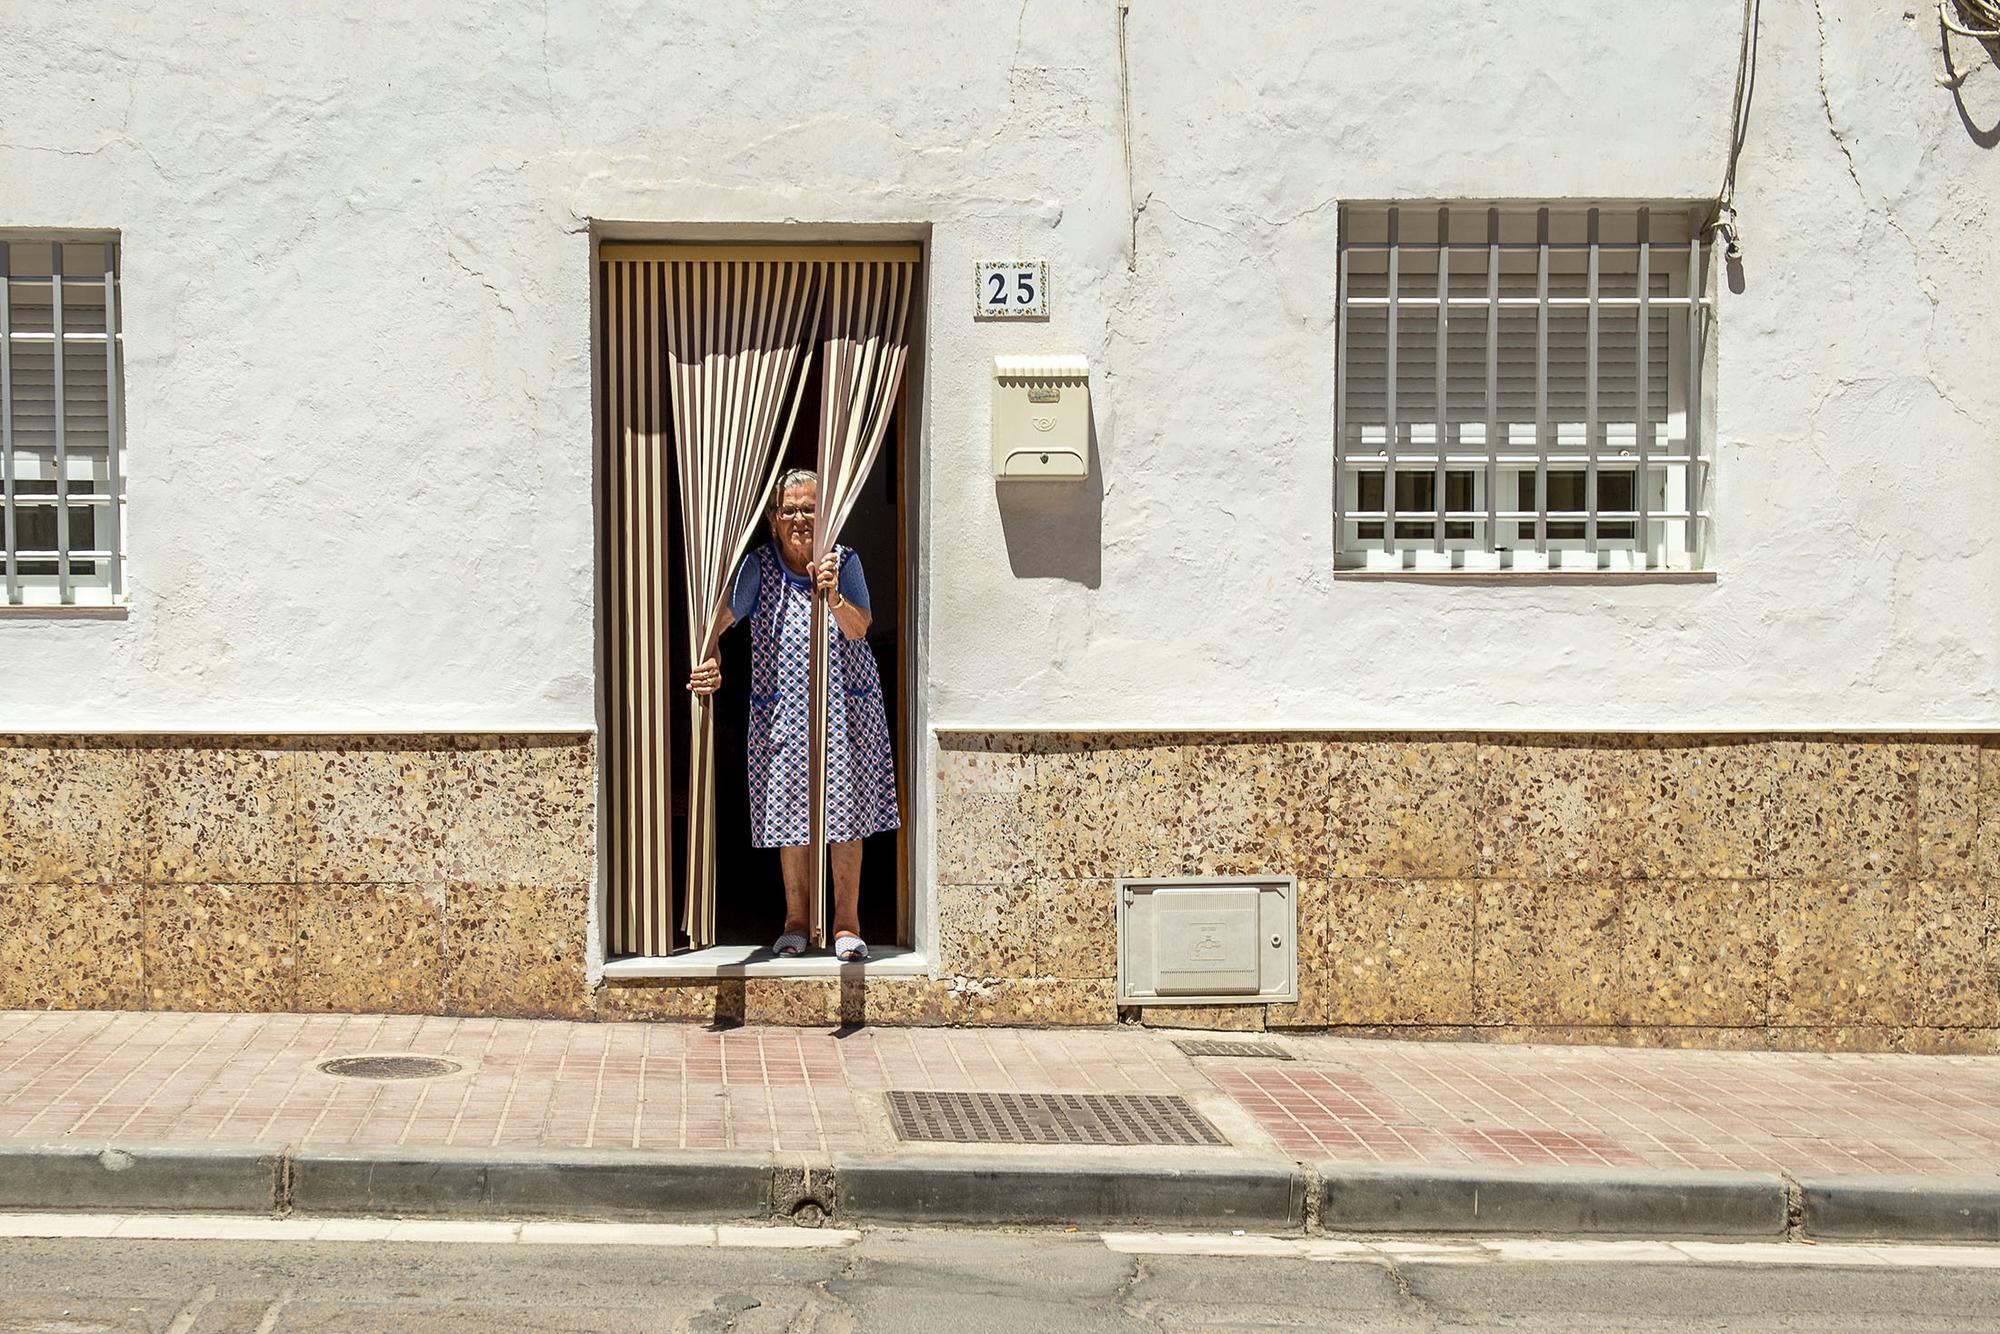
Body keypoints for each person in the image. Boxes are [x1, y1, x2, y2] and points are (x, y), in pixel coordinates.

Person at [686, 469, 899, 962]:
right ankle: (797, 922)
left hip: (844, 709)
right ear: (773, 520)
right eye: (790, 510)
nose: (800, 519)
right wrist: (710, 652)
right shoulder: (758, 567)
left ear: (825, 515)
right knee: (792, 817)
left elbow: (859, 627)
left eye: (810, 508)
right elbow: (720, 617)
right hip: (783, 715)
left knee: (846, 817)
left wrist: (833, 596)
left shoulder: (843, 562)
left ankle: (847, 923)